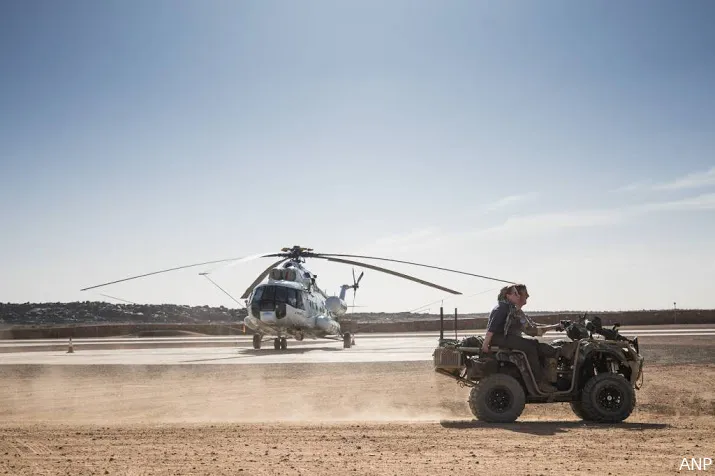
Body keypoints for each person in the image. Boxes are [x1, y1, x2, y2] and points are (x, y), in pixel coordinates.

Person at [481, 284, 558, 393]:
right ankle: (539, 383)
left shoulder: (513, 310)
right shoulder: (504, 308)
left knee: (536, 345)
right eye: (523, 293)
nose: (528, 296)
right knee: (530, 347)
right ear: (510, 296)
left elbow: (532, 326)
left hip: (507, 338)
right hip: (502, 338)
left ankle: (545, 377)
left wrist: (555, 326)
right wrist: (485, 343)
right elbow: (492, 328)